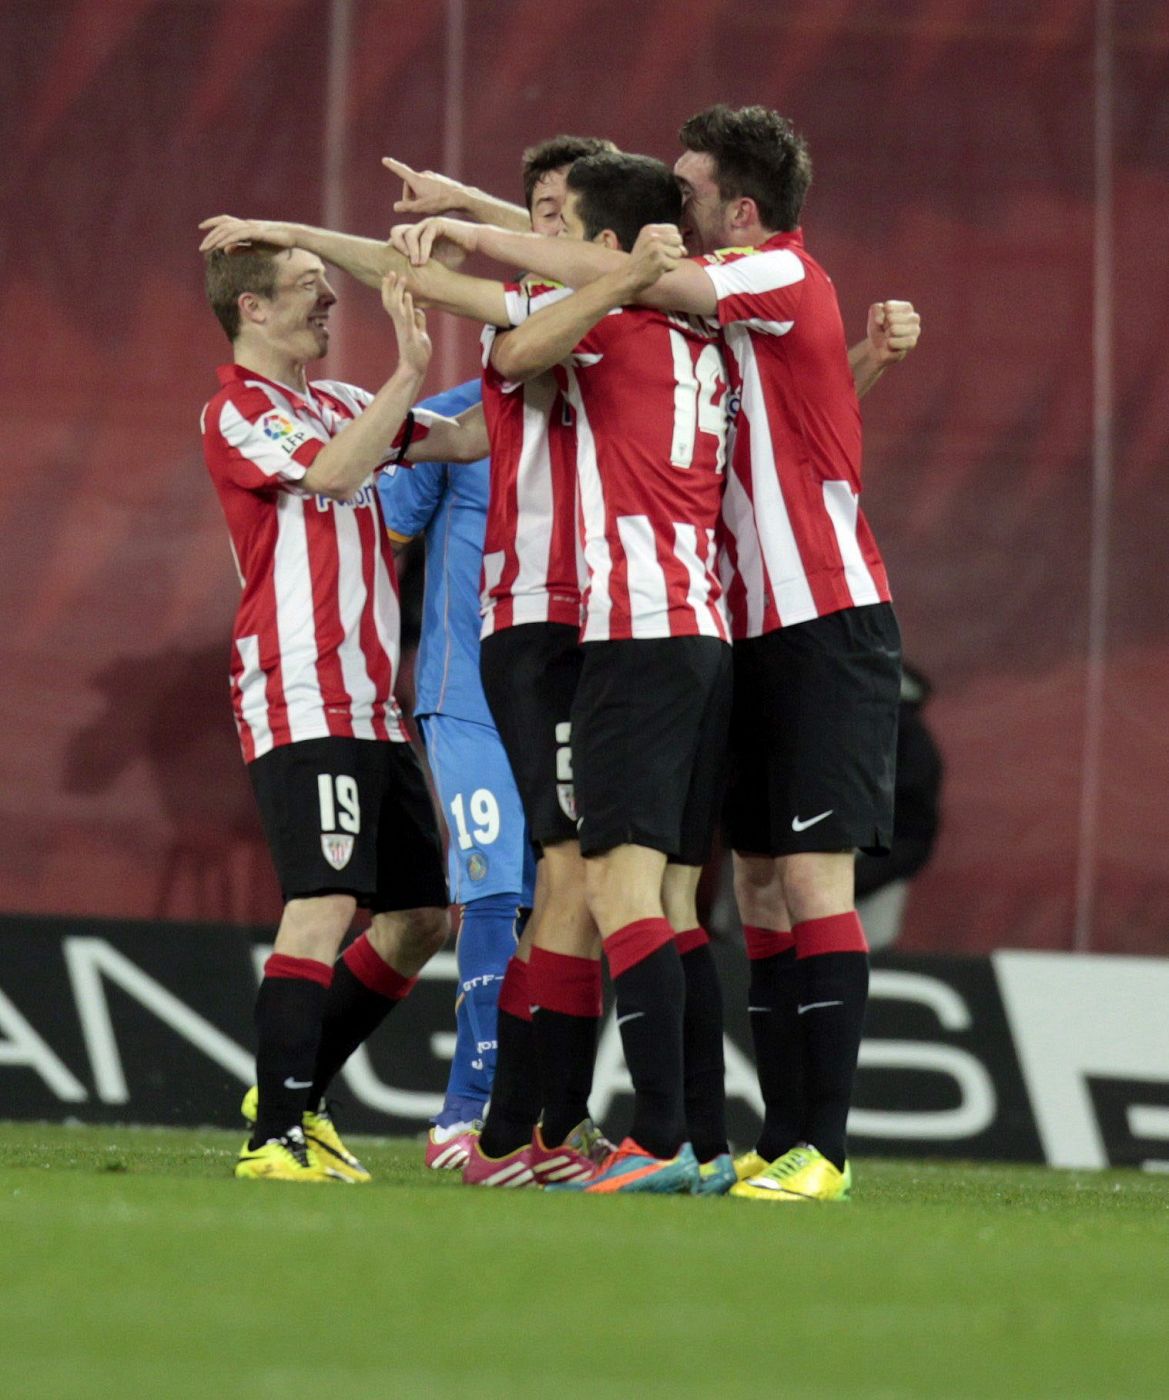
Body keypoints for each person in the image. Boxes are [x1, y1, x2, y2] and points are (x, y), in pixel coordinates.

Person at [394, 104, 921, 1202]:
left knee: (789, 879)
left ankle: (804, 1147)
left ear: (739, 210)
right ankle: (762, 1139)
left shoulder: (775, 277)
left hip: (812, 619)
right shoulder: (707, 323)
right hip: (727, 623)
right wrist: (473, 210)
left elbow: (611, 268)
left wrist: (465, 232)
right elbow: (606, 256)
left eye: (684, 198)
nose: (668, 220)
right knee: (755, 888)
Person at [200, 240, 481, 1182]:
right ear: (252, 310)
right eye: (308, 293)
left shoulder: (341, 401)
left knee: (416, 921)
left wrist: (564, 351)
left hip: (371, 705)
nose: (328, 306)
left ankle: (294, 1091)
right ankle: (272, 1139)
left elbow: (464, 440)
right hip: (298, 692)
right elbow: (326, 476)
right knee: (322, 902)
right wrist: (409, 372)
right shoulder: (235, 412)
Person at [378, 377, 536, 1167]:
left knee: (559, 902)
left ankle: (542, 1111)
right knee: (492, 887)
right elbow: (386, 531)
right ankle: (467, 1115)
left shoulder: (606, 406)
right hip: (466, 694)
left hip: (562, 693)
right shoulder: (450, 415)